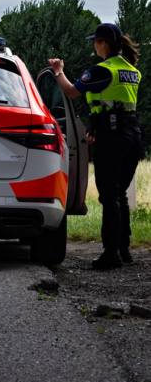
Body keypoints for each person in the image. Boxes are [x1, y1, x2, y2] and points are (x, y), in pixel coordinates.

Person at [49, 23, 145, 269]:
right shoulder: (131, 70)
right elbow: (113, 103)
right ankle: (124, 250)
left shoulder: (102, 70)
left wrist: (58, 71)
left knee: (109, 195)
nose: (94, 45)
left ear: (103, 43)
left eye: (95, 41)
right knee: (119, 194)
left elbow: (71, 92)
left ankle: (110, 253)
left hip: (112, 138)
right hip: (131, 133)